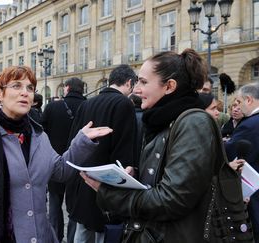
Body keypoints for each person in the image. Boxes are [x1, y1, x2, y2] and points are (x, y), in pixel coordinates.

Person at [0, 66, 112, 243]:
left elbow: (60, 171)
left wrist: (81, 142)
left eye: (30, 88)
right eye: (16, 86)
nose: (25, 93)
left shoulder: (39, 136)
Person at [81, 49, 221, 242]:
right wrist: (136, 177)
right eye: (137, 81)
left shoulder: (193, 123)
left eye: (144, 82)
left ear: (169, 86)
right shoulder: (161, 120)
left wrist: (111, 195)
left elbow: (173, 199)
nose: (136, 89)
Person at [66, 64, 138, 243]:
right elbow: (124, 145)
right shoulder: (123, 103)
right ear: (129, 83)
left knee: (82, 230)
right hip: (107, 181)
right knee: (104, 234)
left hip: (84, 178)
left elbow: (73, 141)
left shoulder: (87, 103)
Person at [41, 77, 86, 243]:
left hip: (55, 160)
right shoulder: (88, 105)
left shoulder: (53, 107)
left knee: (54, 203)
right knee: (75, 207)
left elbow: (41, 132)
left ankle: (56, 236)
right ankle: (73, 238)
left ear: (66, 88)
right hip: (80, 163)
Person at [224, 82, 259, 240]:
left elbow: (228, 152)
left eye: (240, 101)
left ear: (249, 100)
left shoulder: (251, 124)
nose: (238, 106)